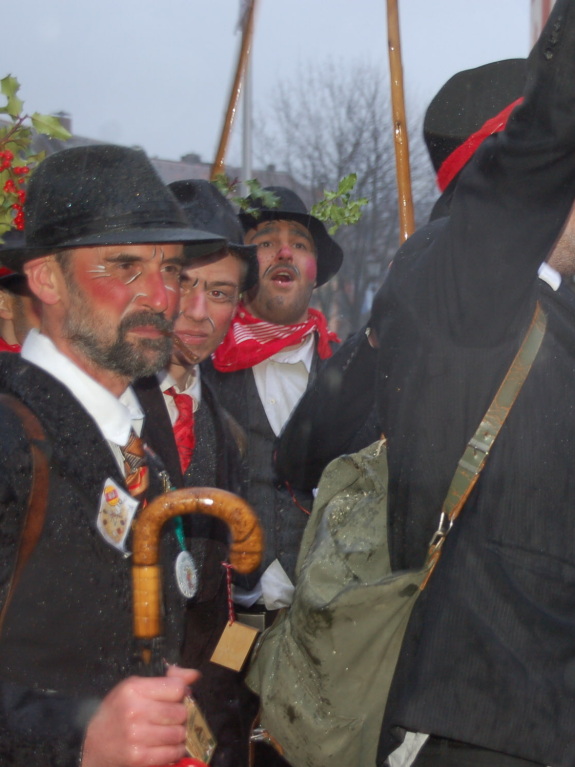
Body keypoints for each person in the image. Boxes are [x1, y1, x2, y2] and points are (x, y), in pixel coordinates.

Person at [371, 2, 575, 766]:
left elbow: (573, 521)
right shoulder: (459, 271)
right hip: (492, 729)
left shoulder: (544, 306)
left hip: (560, 726)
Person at [0, 144, 225, 767]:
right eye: (125, 266)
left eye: (172, 269)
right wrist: (76, 736)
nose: (161, 295)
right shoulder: (11, 437)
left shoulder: (139, 450)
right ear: (46, 278)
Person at [135, 179, 257, 767]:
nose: (199, 313)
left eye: (221, 292)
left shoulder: (225, 429)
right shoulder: (104, 404)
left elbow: (215, 597)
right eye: (185, 284)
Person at [204, 185, 343, 610]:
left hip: (320, 634)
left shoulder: (352, 373)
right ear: (241, 267)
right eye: (265, 243)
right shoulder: (196, 370)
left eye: (299, 244)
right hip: (216, 628)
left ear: (315, 271)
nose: (284, 253)